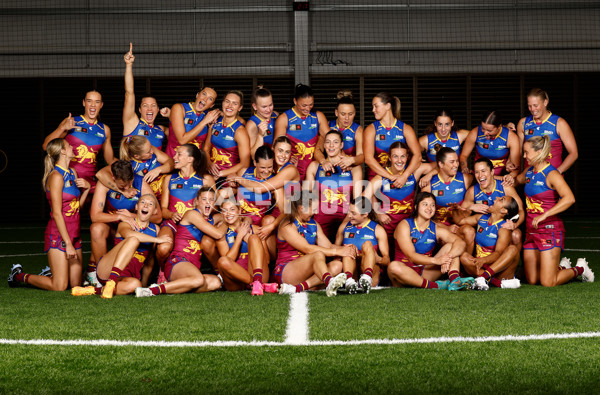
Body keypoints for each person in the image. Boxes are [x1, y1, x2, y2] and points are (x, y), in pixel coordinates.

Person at [9, 138, 90, 291]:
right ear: (63, 151)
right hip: (59, 236)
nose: (72, 147)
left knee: (75, 285)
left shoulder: (72, 172)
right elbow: (57, 213)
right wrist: (69, 244)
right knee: (60, 286)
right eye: (68, 145)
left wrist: (86, 190)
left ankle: (50, 272)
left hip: (75, 233)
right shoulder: (56, 177)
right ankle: (18, 275)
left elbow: (76, 207)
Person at [515, 135, 593, 286]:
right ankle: (562, 267)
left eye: (526, 152)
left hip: (549, 230)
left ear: (538, 152)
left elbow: (569, 198)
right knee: (532, 280)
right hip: (532, 230)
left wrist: (545, 215)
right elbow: (515, 181)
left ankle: (580, 269)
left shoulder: (551, 174)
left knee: (548, 282)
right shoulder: (529, 172)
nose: (524, 156)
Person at [72, 194, 171, 298]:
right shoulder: (126, 223)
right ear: (136, 207)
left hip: (126, 276)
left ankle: (94, 290)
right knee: (133, 240)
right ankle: (110, 282)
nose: (146, 205)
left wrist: (144, 284)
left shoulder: (155, 229)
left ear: (155, 211)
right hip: (107, 269)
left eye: (150, 204)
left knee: (136, 285)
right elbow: (130, 235)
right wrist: (157, 239)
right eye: (142, 202)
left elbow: (149, 260)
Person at [135, 189, 224, 297]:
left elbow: (225, 216)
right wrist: (226, 224)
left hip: (192, 267)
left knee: (216, 283)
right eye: (204, 199)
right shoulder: (192, 214)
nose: (208, 202)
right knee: (198, 279)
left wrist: (230, 218)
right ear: (196, 202)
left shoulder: (211, 219)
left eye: (211, 200)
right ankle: (152, 291)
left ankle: (173, 287)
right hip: (177, 261)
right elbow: (218, 234)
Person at [227, 136, 301, 260]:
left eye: (287, 152)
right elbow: (255, 156)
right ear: (273, 150)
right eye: (280, 150)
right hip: (275, 212)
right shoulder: (274, 170)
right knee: (255, 223)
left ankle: (269, 263)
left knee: (266, 222)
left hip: (290, 214)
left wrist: (236, 178)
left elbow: (261, 188)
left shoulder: (289, 169)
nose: (283, 155)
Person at [274, 190, 357, 297]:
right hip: (286, 271)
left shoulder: (313, 224)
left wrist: (345, 249)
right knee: (317, 254)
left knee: (338, 265)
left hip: (309, 270)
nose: (316, 212)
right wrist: (338, 251)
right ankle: (329, 282)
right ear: (301, 208)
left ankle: (298, 287)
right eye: (313, 209)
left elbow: (329, 246)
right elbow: (307, 249)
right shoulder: (287, 225)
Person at [387, 192, 473, 290]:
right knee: (393, 266)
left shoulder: (436, 228)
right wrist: (436, 260)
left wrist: (448, 257)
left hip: (425, 272)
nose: (429, 208)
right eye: (425, 204)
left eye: (432, 205)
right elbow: (411, 256)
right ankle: (436, 286)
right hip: (404, 272)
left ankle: (455, 280)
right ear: (416, 207)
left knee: (451, 246)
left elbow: (460, 242)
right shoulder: (405, 225)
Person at [87, 160, 153, 285]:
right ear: (113, 178)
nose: (127, 188)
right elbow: (95, 216)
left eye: (129, 184)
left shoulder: (140, 183)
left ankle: (142, 277)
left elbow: (158, 217)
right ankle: (101, 275)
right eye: (123, 186)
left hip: (132, 229)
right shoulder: (105, 184)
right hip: (113, 228)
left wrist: (132, 216)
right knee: (96, 228)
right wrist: (120, 217)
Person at [155, 144, 215, 278]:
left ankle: (219, 272)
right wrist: (171, 214)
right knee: (163, 248)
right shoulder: (169, 179)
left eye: (179, 154)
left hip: (196, 227)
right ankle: (163, 272)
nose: (174, 157)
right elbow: (162, 210)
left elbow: (215, 207)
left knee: (209, 243)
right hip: (173, 224)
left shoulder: (205, 179)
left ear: (190, 159)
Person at [42, 91, 115, 196]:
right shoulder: (71, 122)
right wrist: (62, 128)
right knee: (70, 211)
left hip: (90, 183)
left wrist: (131, 165)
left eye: (97, 102)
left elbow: (110, 160)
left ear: (101, 105)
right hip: (68, 181)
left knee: (93, 211)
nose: (93, 105)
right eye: (89, 101)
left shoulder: (104, 130)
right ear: (84, 103)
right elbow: (46, 146)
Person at [363, 142, 434, 241]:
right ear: (389, 158)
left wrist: (429, 175)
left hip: (408, 227)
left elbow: (441, 165)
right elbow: (362, 198)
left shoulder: (414, 172)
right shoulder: (380, 177)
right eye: (395, 156)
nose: (399, 160)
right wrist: (378, 213)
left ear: (407, 157)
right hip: (386, 226)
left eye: (403, 156)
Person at [305, 130, 363, 240]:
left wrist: (345, 224)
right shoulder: (314, 166)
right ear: (324, 145)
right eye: (328, 142)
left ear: (342, 145)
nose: (331, 145)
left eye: (335, 142)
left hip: (346, 218)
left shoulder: (354, 168)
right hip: (320, 219)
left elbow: (357, 201)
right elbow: (307, 199)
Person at [459, 157, 524, 252]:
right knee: (467, 230)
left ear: (492, 172)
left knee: (516, 235)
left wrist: (514, 224)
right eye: (477, 172)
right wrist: (470, 207)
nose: (480, 175)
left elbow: (521, 210)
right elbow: (460, 218)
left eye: (483, 171)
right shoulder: (472, 191)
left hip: (501, 226)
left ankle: (511, 264)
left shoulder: (505, 188)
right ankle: (469, 262)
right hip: (481, 224)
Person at [458, 195, 522, 290]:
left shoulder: (503, 228)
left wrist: (483, 260)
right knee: (464, 257)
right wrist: (458, 209)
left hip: (498, 270)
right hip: (481, 266)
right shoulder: (482, 218)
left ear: (503, 210)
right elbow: (459, 221)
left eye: (501, 200)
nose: (495, 198)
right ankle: (495, 282)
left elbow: (499, 253)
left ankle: (484, 277)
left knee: (512, 249)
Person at [216, 200, 275, 295]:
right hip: (236, 280)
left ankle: (257, 281)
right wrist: (239, 236)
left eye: (232, 209)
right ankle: (257, 284)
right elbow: (228, 261)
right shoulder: (221, 234)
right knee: (222, 261)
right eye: (225, 210)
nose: (228, 213)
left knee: (254, 238)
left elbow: (267, 260)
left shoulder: (255, 229)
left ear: (239, 211)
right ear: (222, 213)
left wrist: (247, 237)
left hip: (257, 273)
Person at [334, 197, 390, 294]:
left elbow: (387, 260)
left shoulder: (377, 229)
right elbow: (335, 252)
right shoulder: (344, 227)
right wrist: (347, 252)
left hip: (371, 273)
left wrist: (376, 258)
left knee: (368, 244)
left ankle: (366, 279)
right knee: (349, 248)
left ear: (365, 214)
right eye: (349, 212)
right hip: (352, 271)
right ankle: (349, 281)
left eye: (353, 213)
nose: (349, 215)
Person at [363, 92, 421, 183]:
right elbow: (368, 159)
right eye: (373, 107)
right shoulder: (371, 129)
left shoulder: (405, 129)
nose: (373, 110)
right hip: (377, 177)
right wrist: (390, 176)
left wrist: (405, 176)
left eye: (376, 106)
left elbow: (418, 156)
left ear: (388, 106)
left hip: (401, 177)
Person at [274, 84, 329, 180]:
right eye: (304, 105)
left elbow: (331, 139)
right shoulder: (284, 118)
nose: (307, 108)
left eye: (311, 104)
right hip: (291, 168)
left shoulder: (318, 116)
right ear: (295, 101)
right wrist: (286, 157)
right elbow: (276, 146)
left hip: (314, 169)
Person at [516, 88, 578, 174]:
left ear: (545, 102)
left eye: (535, 105)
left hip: (551, 179)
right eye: (530, 106)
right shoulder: (523, 123)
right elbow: (517, 153)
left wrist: (557, 173)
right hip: (530, 178)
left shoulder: (559, 123)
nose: (532, 109)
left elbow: (574, 153)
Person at [122, 43, 167, 149]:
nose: (149, 108)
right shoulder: (132, 123)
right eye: (145, 105)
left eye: (153, 105)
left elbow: (181, 131)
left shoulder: (161, 130)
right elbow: (129, 92)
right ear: (139, 109)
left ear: (158, 109)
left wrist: (170, 115)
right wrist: (129, 65)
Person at [204, 90, 251, 179]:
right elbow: (206, 149)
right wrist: (209, 163)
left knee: (220, 193)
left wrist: (220, 174)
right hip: (210, 172)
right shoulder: (215, 122)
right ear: (222, 103)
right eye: (227, 101)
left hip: (229, 176)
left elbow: (245, 164)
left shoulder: (240, 131)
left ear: (240, 108)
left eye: (234, 103)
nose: (230, 105)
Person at [421, 147, 473, 228]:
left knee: (468, 231)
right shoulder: (429, 184)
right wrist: (447, 228)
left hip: (459, 224)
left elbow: (483, 178)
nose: (456, 165)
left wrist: (500, 178)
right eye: (452, 162)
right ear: (441, 164)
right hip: (437, 226)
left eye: (457, 161)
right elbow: (422, 215)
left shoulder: (466, 179)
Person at [313, 90, 365, 171]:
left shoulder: (358, 129)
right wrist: (323, 161)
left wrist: (351, 160)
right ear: (336, 112)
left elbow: (361, 156)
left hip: (349, 169)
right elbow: (317, 150)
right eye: (343, 114)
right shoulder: (328, 125)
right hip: (329, 168)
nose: (347, 118)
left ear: (355, 113)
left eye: (350, 114)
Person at [459, 110, 520, 177]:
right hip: (479, 176)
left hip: (501, 177)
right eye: (483, 128)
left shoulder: (511, 137)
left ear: (499, 127)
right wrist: (464, 168)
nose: (485, 133)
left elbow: (515, 168)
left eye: (489, 130)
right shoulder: (475, 132)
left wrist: (510, 175)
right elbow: (463, 156)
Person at [165, 86, 221, 158]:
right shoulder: (179, 108)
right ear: (197, 95)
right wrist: (204, 122)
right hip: (173, 162)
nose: (205, 99)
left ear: (211, 105)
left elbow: (238, 120)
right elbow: (182, 140)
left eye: (210, 99)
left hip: (194, 165)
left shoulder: (208, 115)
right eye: (204, 94)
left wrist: (219, 112)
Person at [247, 86, 278, 156]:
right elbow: (253, 155)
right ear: (255, 106)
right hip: (263, 164)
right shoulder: (252, 124)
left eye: (270, 105)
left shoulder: (275, 115)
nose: (268, 110)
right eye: (264, 107)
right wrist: (260, 135)